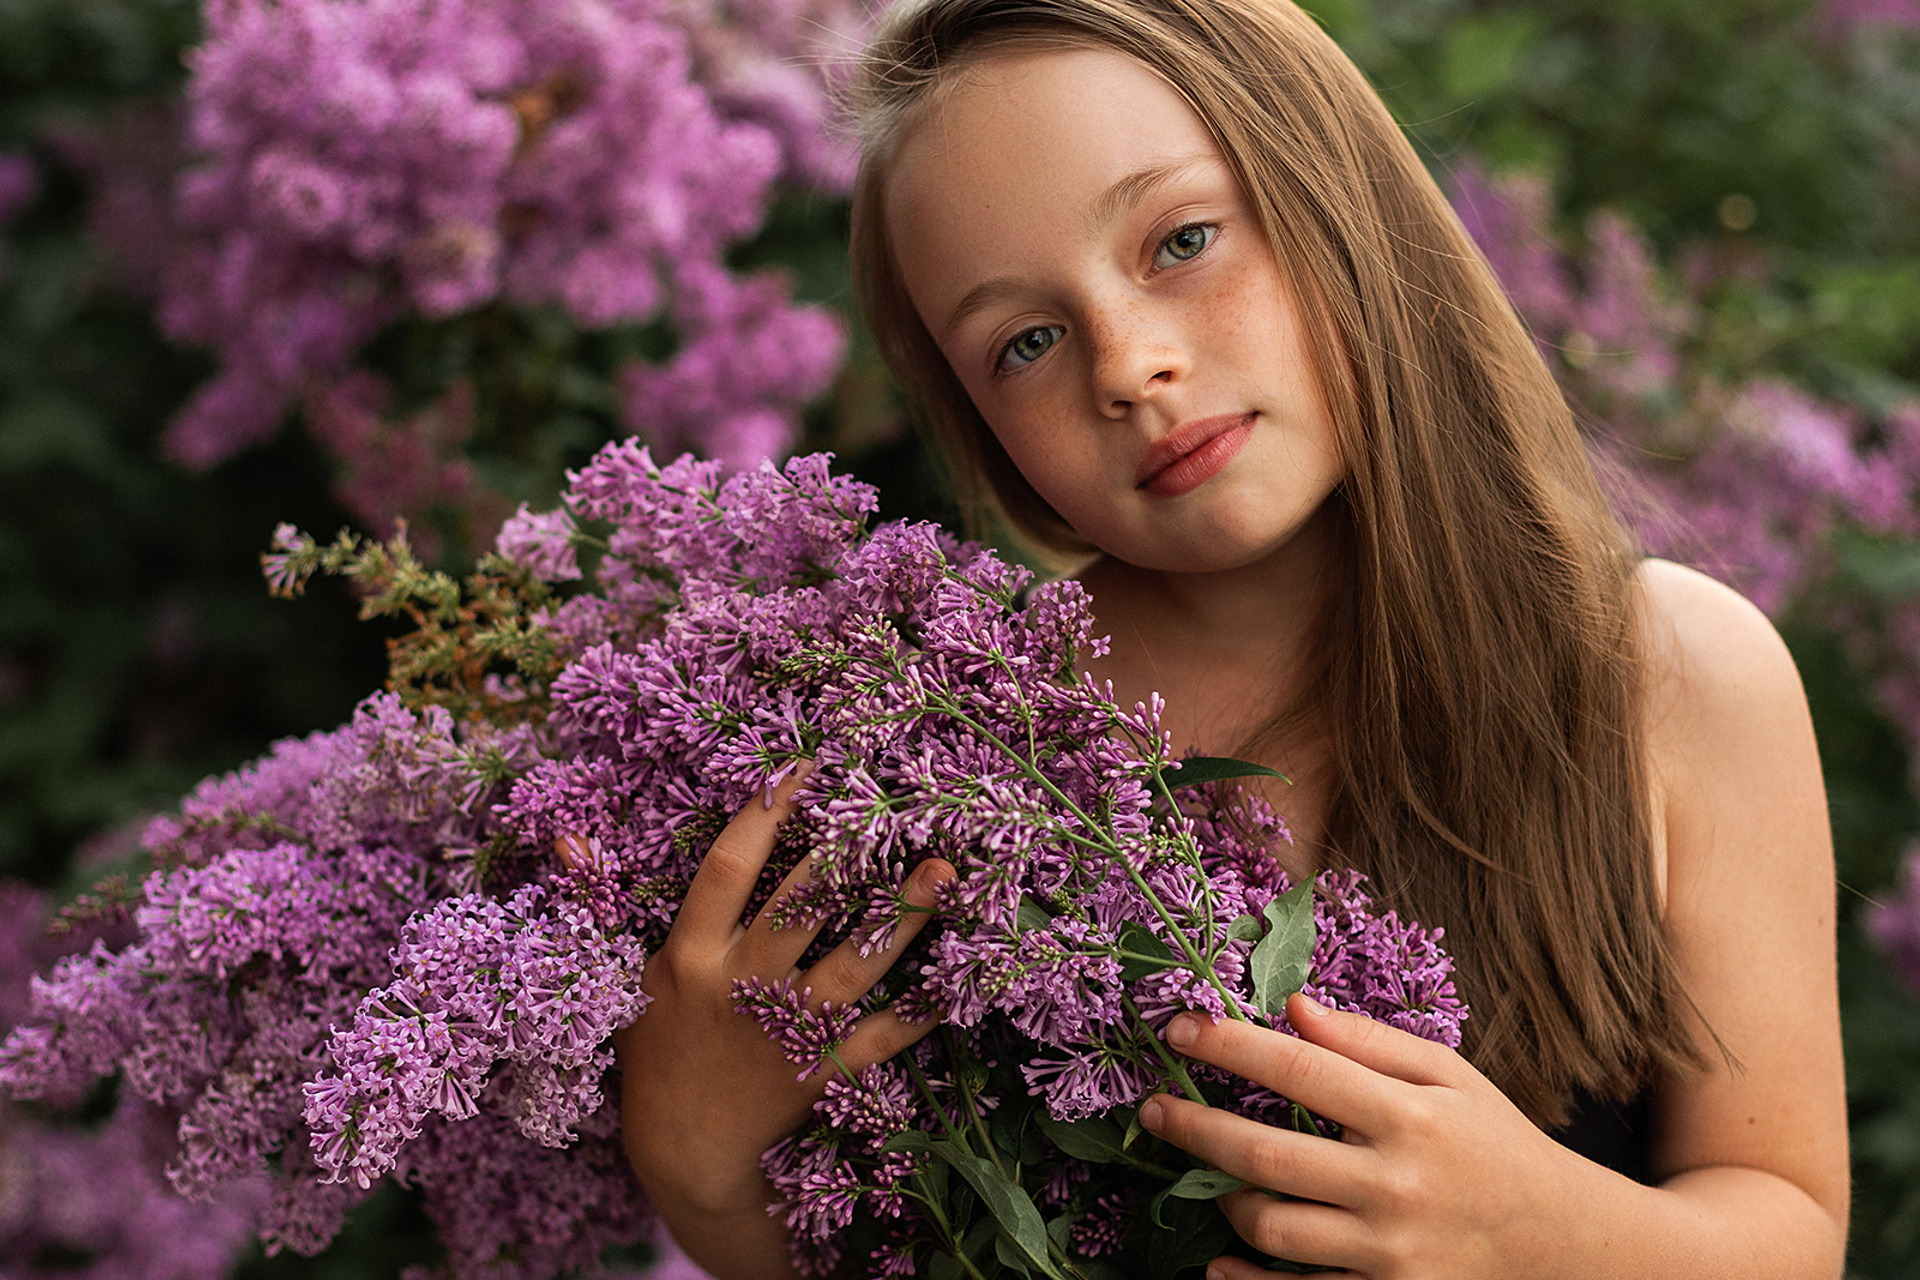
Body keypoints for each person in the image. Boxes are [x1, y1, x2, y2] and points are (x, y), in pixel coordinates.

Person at [609, 0, 1851, 1275]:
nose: (1128, 363)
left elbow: (1788, 1224)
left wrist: (1537, 1236)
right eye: (1024, 341)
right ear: (978, 425)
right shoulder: (959, 746)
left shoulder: (1674, 674)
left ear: (1335, 195)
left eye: (1182, 239)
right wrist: (702, 1172)